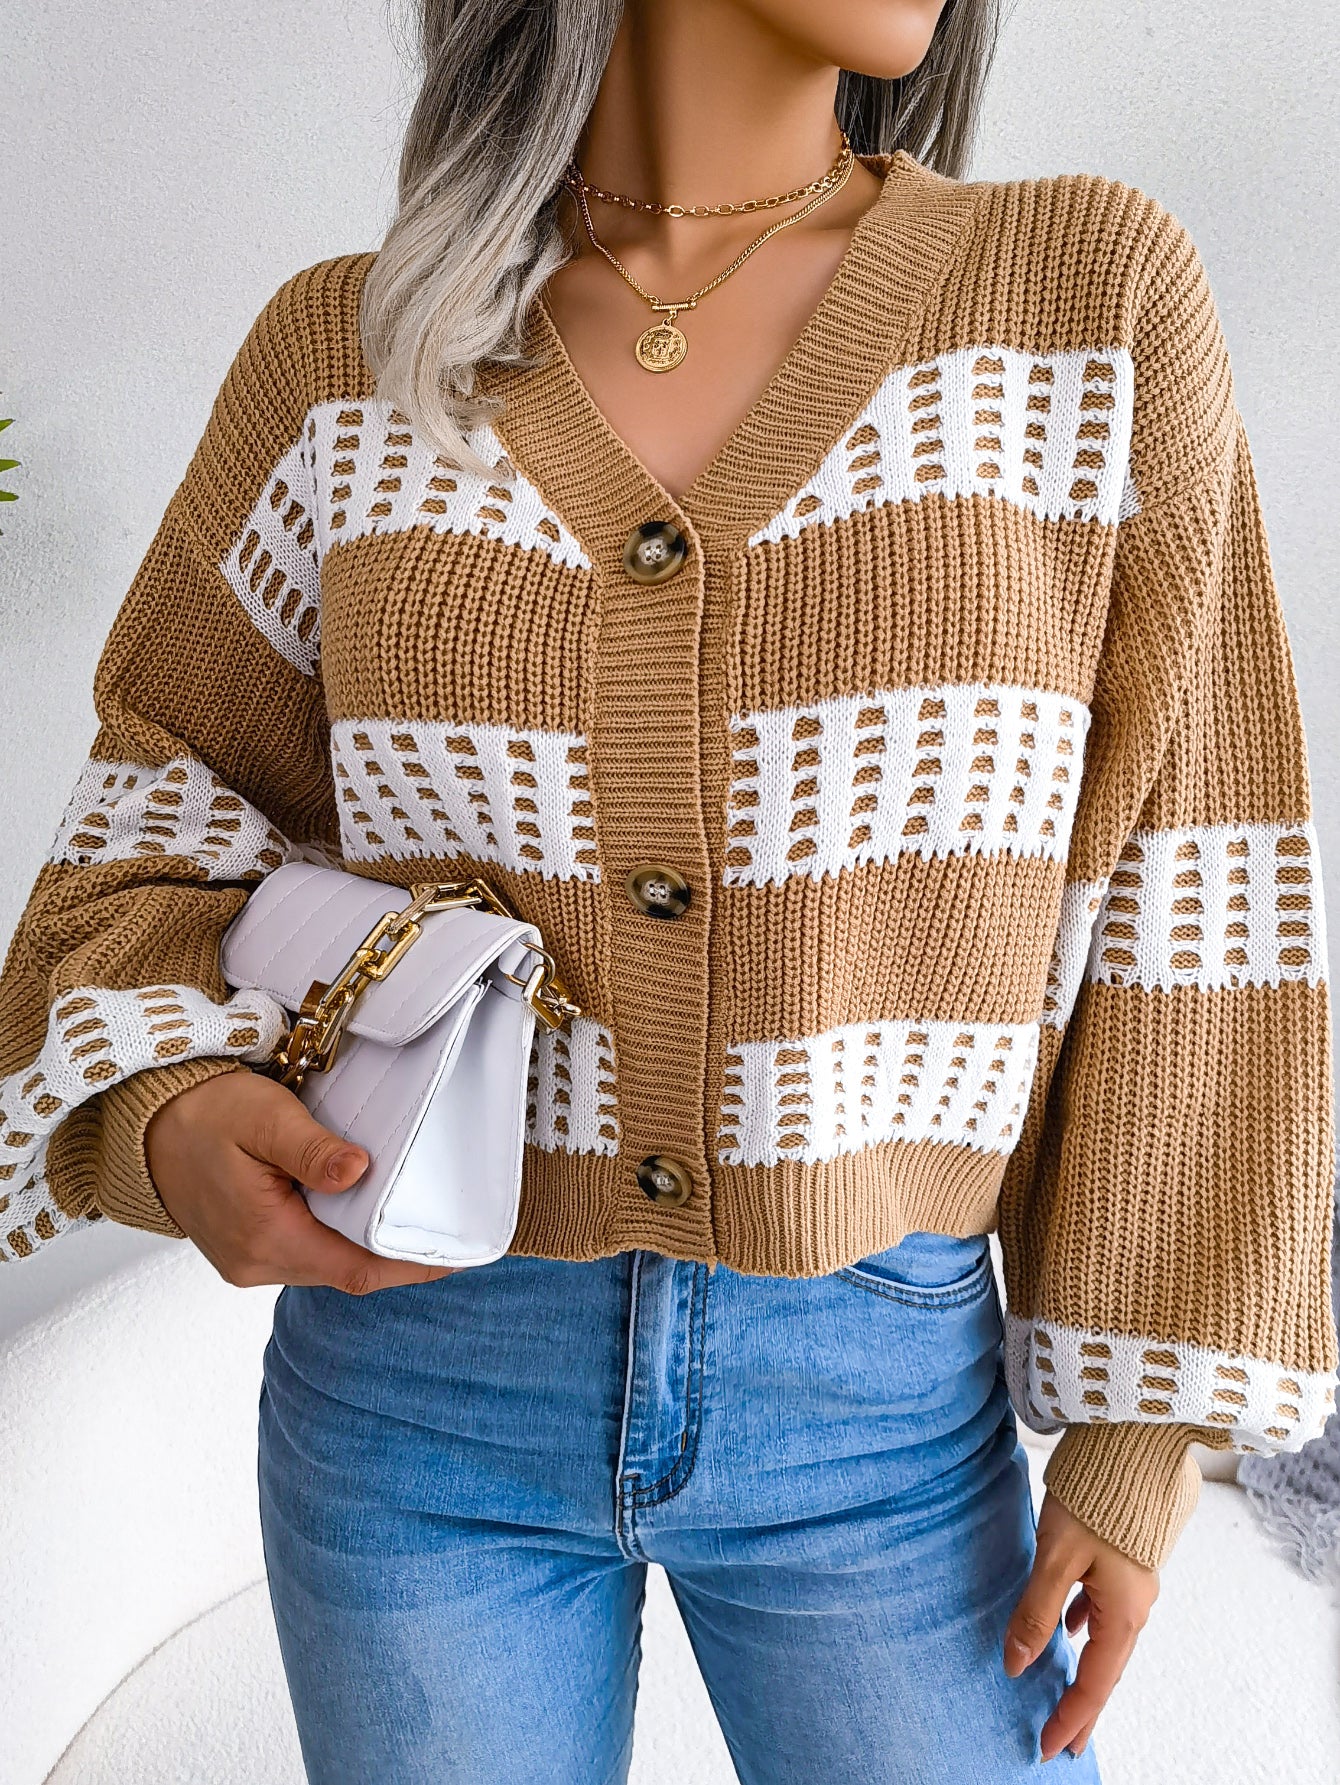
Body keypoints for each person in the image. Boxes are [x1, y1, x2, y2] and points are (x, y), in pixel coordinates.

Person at [2, 2, 1335, 1780]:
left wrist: (1137, 1433)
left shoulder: (1081, 304)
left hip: (879, 1406)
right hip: (415, 1386)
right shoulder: (348, 357)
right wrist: (170, 1116)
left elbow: (1203, 866)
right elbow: (155, 815)